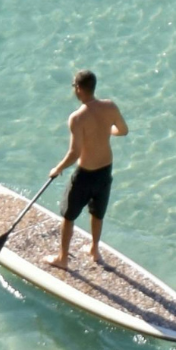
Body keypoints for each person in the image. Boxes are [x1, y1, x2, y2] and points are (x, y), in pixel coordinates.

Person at [46, 70, 126, 269]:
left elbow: (75, 152)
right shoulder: (110, 106)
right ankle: (94, 249)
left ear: (79, 89)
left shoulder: (77, 117)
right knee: (97, 212)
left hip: (85, 174)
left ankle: (62, 258)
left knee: (68, 215)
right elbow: (123, 131)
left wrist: (58, 168)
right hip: (105, 170)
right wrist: (106, 130)